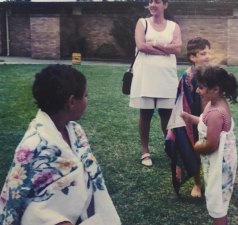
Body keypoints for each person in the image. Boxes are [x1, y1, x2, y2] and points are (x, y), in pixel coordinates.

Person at [0, 65, 121, 225]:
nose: (87, 100)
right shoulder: (33, 145)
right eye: (85, 95)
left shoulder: (76, 131)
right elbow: (13, 197)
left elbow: (88, 173)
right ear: (72, 102)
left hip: (85, 215)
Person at [180, 66, 238, 225]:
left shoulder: (216, 113)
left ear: (215, 89)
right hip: (218, 160)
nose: (198, 91)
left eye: (201, 87)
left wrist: (197, 147)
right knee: (216, 196)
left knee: (217, 203)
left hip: (220, 164)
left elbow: (212, 145)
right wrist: (190, 118)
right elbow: (204, 121)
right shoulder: (213, 103)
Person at [129, 0, 182, 167]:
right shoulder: (142, 23)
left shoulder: (174, 26)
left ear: (165, 5)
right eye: (150, 1)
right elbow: (141, 46)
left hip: (167, 77)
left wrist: (156, 44)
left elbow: (178, 48)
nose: (153, 4)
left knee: (167, 115)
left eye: (157, 1)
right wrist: (167, 48)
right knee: (145, 115)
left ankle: (171, 148)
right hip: (145, 76)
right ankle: (145, 151)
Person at [165, 37, 211, 197]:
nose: (208, 56)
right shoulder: (187, 77)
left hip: (211, 119)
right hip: (191, 120)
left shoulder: (211, 73)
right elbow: (182, 99)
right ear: (192, 57)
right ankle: (198, 183)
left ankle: (214, 181)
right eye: (203, 53)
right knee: (194, 150)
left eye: (209, 52)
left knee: (213, 150)